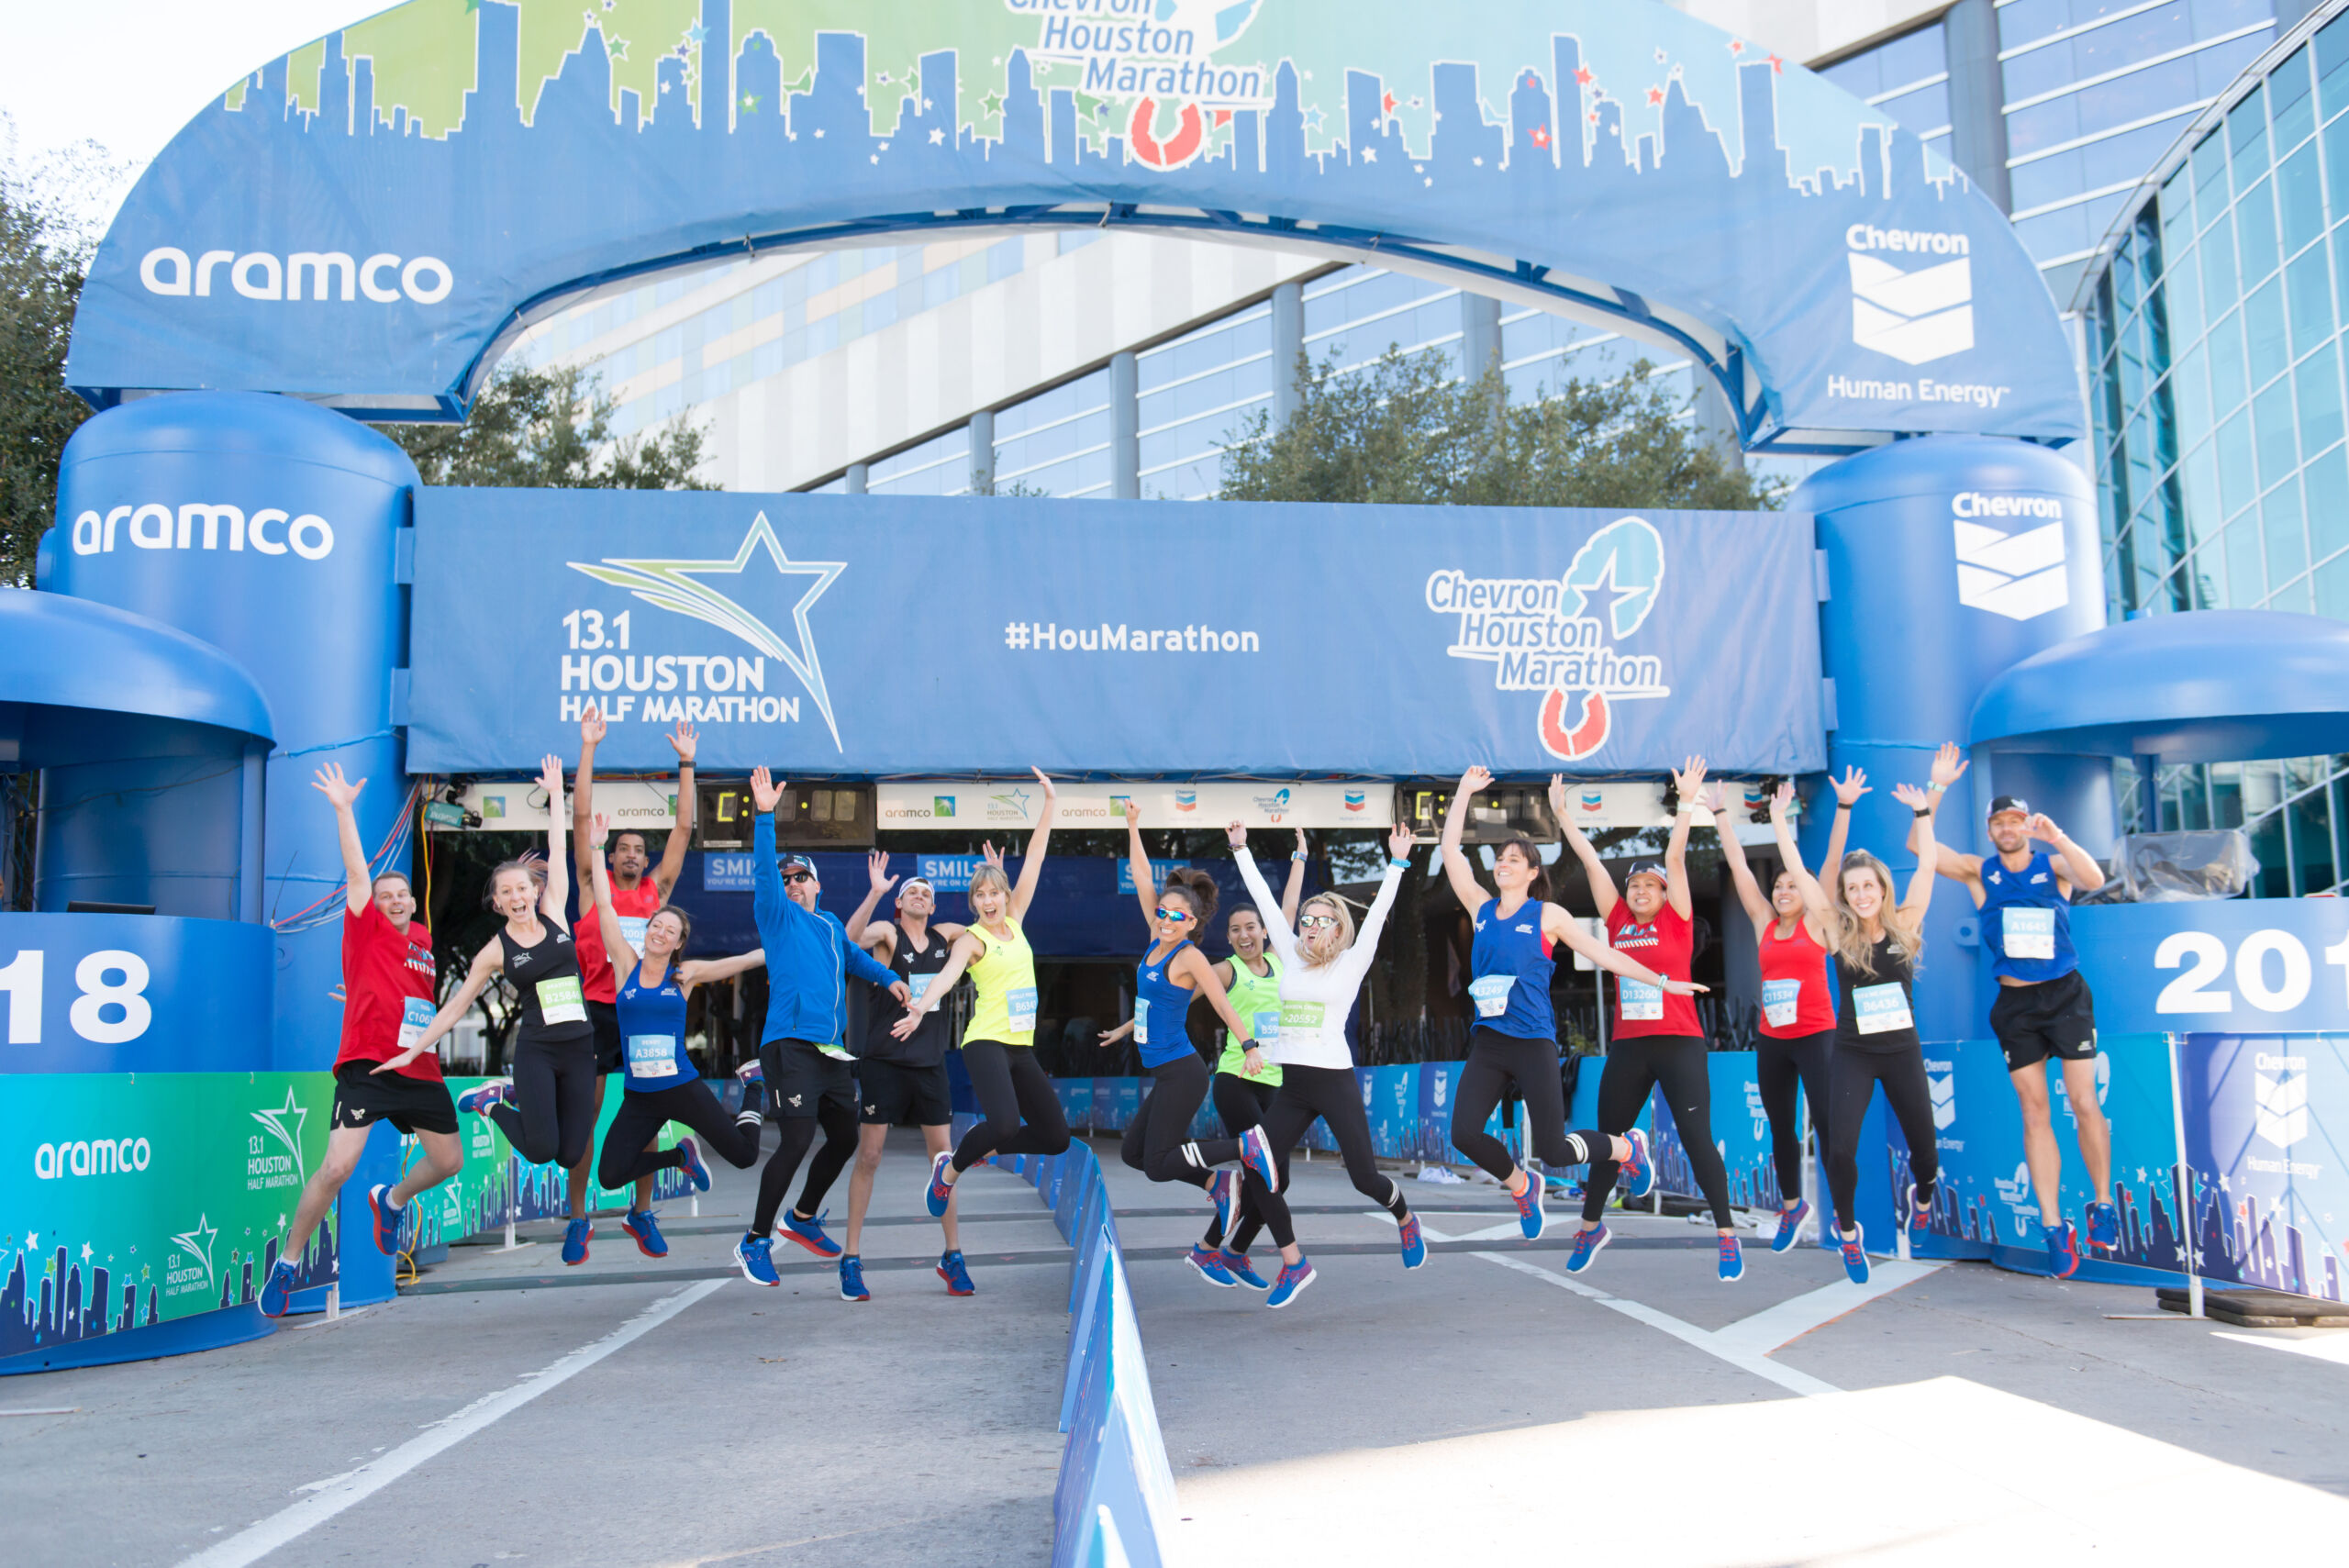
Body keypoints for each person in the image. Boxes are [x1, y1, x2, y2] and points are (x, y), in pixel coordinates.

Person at [1436, 768, 1697, 1247]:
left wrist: (1662, 980)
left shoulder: (1548, 916)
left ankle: (1625, 1146)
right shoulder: (1481, 910)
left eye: (1515, 859)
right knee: (1464, 1134)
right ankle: (1522, 1186)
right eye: (1500, 858)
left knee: (1556, 1150)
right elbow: (1451, 852)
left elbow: (1609, 955)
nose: (1503, 863)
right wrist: (1464, 794)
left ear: (1533, 872)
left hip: (1533, 1041)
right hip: (1490, 1042)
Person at [261, 764, 463, 1317]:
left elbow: (403, 997)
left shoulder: (422, 939)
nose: (394, 900)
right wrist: (344, 810)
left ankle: (391, 1200)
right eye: (385, 895)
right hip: (368, 1068)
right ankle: (288, 1262)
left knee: (449, 1161)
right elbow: (356, 874)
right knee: (336, 1168)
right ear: (374, 905)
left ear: (414, 904)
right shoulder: (365, 923)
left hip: (419, 1068)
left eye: (402, 894)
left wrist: (361, 998)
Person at [1910, 754, 2112, 1278]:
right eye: (1998, 823)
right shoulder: (1982, 872)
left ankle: (2103, 1203)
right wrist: (1936, 787)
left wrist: (2059, 837)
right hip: (2016, 1004)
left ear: (2027, 825)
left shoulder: (2055, 864)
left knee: (2085, 1102)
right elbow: (1919, 846)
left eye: (2015, 822)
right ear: (1990, 830)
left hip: (2065, 995)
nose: (2007, 829)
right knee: (2033, 1108)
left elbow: (2093, 877)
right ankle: (2052, 1225)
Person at [1221, 818, 1419, 1308]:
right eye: (1305, 920)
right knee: (1260, 1166)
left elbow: (1378, 915)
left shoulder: (1351, 962)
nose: (1308, 927)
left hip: (1333, 1081)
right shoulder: (1288, 954)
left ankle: (1405, 1217)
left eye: (1319, 921)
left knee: (1364, 1178)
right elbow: (1266, 903)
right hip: (1292, 1084)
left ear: (1338, 929)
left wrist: (1396, 863)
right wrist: (1241, 850)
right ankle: (1289, 1262)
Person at [405, 759, 602, 1251]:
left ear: (535, 892)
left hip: (579, 1048)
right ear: (496, 902)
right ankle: (494, 1103)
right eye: (506, 892)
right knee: (540, 1151)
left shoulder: (556, 911)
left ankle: (509, 1104)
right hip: (537, 1049)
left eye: (522, 888)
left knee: (572, 1152)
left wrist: (559, 795)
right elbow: (452, 1007)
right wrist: (416, 1049)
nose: (517, 896)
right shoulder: (495, 951)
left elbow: (558, 848)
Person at [1562, 757, 1744, 1281]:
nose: (1640, 891)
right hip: (1630, 1046)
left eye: (1650, 886)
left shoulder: (1678, 920)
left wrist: (1686, 804)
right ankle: (1592, 1225)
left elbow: (1676, 854)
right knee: (1607, 1136)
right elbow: (1592, 862)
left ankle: (1727, 1234)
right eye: (1635, 885)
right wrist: (1563, 815)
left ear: (1666, 894)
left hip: (1680, 1041)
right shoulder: (1617, 919)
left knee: (1696, 1138)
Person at [734, 768, 911, 1288]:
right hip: (789, 1046)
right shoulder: (777, 916)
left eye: (800, 877)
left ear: (817, 883)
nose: (791, 883)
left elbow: (856, 959)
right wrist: (764, 816)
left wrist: (889, 979)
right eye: (787, 878)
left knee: (843, 1137)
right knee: (794, 1141)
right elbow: (765, 874)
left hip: (830, 1052)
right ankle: (756, 1240)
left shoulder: (831, 926)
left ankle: (804, 1217)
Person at [1791, 760, 1953, 1284]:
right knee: (1838, 1149)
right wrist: (1777, 823)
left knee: (1926, 1154)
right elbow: (1802, 879)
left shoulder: (1906, 924)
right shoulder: (1837, 933)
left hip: (1902, 1052)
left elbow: (1927, 866)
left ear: (1882, 889)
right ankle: (1847, 1230)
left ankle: (1923, 1192)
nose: (1861, 894)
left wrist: (1925, 808)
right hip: (1855, 1053)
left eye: (1869, 886)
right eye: (1853, 887)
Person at [896, 770, 1073, 1226]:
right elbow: (948, 976)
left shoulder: (1015, 921)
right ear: (974, 901)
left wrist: (1050, 800)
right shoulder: (972, 939)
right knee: (1006, 1123)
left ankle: (978, 1147)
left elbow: (1035, 855)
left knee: (1056, 1137)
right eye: (980, 895)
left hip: (1020, 1044)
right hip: (985, 1041)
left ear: (1005, 895)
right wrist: (920, 1007)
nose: (989, 900)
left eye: (994, 892)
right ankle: (950, 1169)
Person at [580, 816, 765, 1238]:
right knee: (610, 1175)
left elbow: (744, 961)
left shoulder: (684, 976)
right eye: (656, 925)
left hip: (680, 1087)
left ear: (680, 942)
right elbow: (605, 906)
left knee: (743, 1156)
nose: (661, 932)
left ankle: (754, 1085)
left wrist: (776, 945)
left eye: (670, 930)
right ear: (646, 931)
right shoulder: (625, 964)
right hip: (640, 1096)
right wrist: (595, 848)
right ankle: (680, 1157)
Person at [1112, 818, 1283, 1279]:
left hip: (1183, 1072)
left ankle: (1244, 1146)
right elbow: (1142, 874)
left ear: (1192, 924)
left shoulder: (1188, 957)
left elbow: (1224, 1003)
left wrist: (1248, 1044)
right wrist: (1132, 825)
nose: (1167, 920)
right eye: (1161, 913)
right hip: (1164, 1071)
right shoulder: (1154, 942)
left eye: (1177, 917)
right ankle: (1218, 1182)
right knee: (1133, 1154)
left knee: (1158, 1163)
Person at [566, 706, 698, 1261]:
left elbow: (685, 828)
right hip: (594, 1010)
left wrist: (686, 764)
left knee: (649, 1113)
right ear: (610, 854)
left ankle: (641, 1213)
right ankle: (578, 1219)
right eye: (622, 847)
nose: (632, 855)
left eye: (639, 850)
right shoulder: (589, 880)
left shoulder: (656, 893)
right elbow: (580, 819)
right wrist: (589, 747)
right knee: (586, 1117)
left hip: (641, 1014)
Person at [1709, 773, 1858, 1251]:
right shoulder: (1763, 925)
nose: (1782, 890)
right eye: (1779, 885)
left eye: (1793, 884)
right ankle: (1793, 1206)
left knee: (1832, 1130)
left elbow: (1832, 863)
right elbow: (1739, 870)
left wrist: (1844, 808)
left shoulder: (1818, 923)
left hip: (1817, 1036)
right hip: (1773, 1039)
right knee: (1781, 1127)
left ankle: (1845, 1219)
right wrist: (1719, 817)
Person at [840, 851, 974, 1301]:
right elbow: (846, 938)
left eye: (927, 893)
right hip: (883, 1061)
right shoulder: (887, 934)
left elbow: (994, 925)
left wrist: (991, 881)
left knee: (946, 1165)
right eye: (911, 891)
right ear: (899, 904)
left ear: (934, 907)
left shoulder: (946, 936)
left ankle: (952, 1255)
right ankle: (852, 1257)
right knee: (870, 1157)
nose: (919, 895)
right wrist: (875, 892)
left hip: (930, 1065)